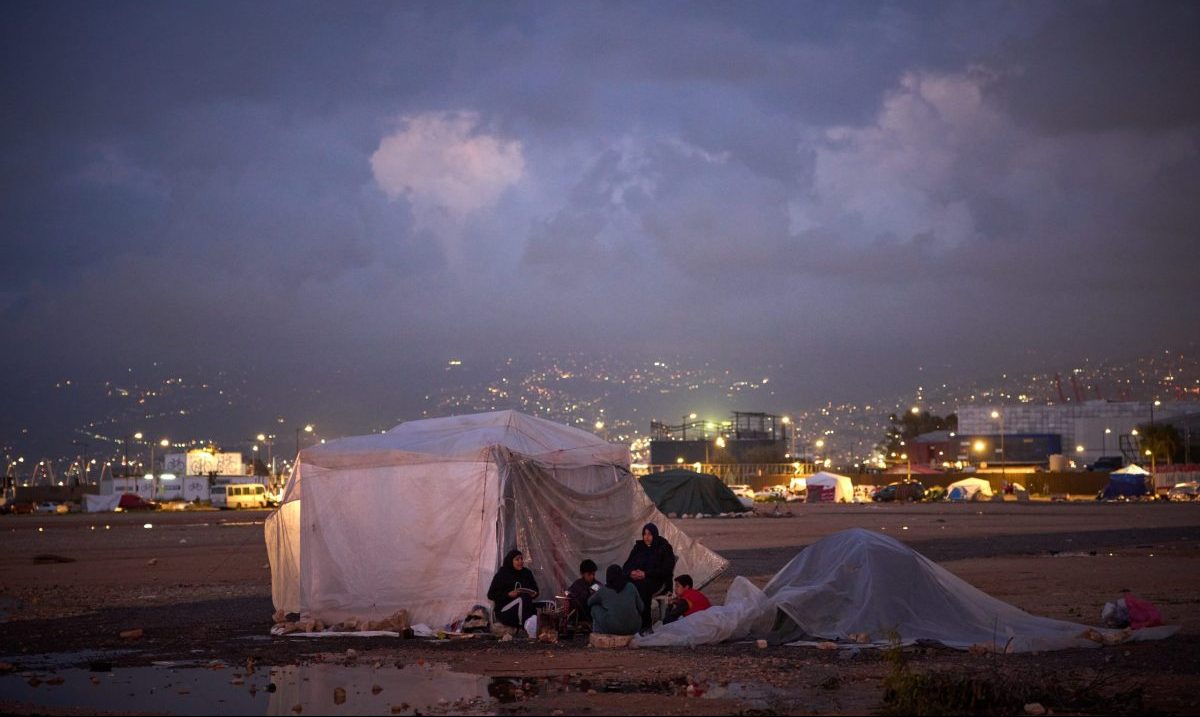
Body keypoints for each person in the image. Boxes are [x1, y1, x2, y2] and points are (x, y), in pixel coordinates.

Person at [622, 522, 676, 631]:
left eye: (650, 534)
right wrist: (631, 573)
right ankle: (626, 620)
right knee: (623, 582)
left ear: (655, 535)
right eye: (644, 534)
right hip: (637, 578)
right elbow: (627, 565)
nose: (646, 537)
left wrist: (645, 574)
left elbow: (665, 570)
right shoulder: (639, 547)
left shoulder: (663, 547)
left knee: (642, 586)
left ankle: (645, 623)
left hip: (658, 581)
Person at [487, 549, 539, 630]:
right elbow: (491, 594)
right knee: (524, 598)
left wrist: (535, 593)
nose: (520, 561)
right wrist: (508, 594)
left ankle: (537, 628)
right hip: (505, 610)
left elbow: (535, 589)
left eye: (522, 559)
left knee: (548, 604)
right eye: (517, 559)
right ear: (510, 561)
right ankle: (523, 627)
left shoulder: (526, 573)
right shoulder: (502, 574)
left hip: (524, 605)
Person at [587, 565, 643, 636]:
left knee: (594, 607)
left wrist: (599, 598)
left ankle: (598, 633)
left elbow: (589, 602)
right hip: (634, 627)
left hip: (613, 629)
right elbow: (641, 607)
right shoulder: (631, 586)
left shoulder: (603, 590)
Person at [566, 559, 600, 626]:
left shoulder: (598, 585)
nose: (592, 577)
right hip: (579, 621)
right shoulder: (577, 585)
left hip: (595, 621)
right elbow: (569, 595)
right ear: (582, 573)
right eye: (589, 574)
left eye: (593, 574)